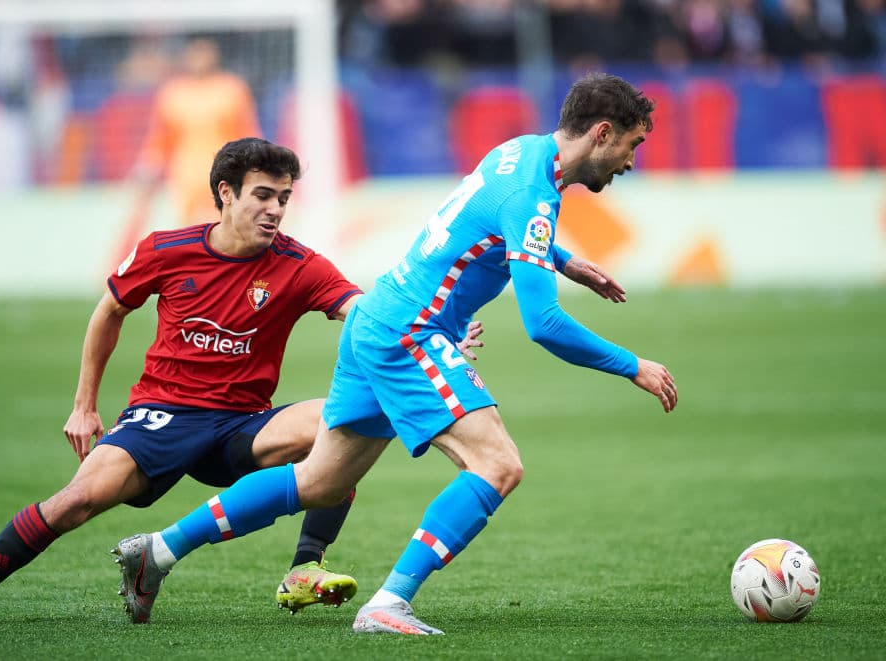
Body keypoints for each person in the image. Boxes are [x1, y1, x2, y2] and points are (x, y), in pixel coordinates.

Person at [111, 72, 679, 634]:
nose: (630, 162)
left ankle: (157, 552)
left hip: (376, 318)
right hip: (411, 332)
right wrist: (635, 366)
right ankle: (389, 603)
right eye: (632, 145)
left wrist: (561, 258)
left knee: (318, 482)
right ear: (603, 132)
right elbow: (544, 323)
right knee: (497, 465)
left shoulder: (520, 153)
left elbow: (494, 219)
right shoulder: (534, 193)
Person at [0, 137, 437, 627]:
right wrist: (84, 404)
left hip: (242, 424)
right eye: (263, 195)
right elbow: (110, 310)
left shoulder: (300, 265)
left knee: (347, 421)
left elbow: (365, 313)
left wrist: (430, 328)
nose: (275, 210)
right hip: (161, 416)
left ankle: (304, 568)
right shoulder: (166, 248)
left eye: (284, 198)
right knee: (75, 502)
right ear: (225, 193)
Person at [111, 37, 262, 268]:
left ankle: (229, 276)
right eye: (195, 52)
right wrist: (148, 165)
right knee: (190, 234)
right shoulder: (173, 93)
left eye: (205, 52)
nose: (200, 58)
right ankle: (195, 282)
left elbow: (247, 133)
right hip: (186, 175)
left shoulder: (231, 89)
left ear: (215, 54)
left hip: (224, 171)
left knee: (227, 228)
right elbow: (160, 138)